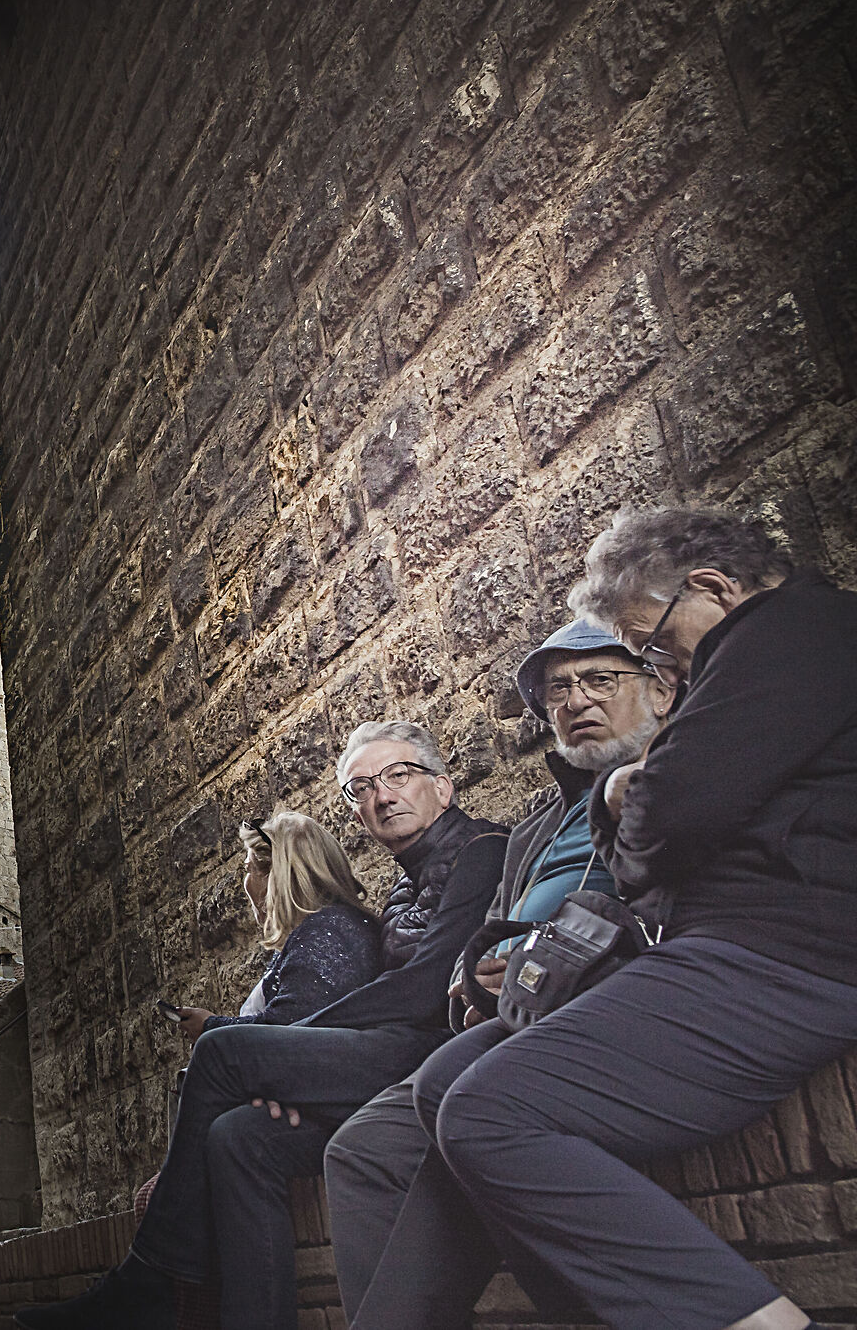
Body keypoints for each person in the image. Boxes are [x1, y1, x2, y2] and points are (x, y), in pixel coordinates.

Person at [420, 506, 857, 1330]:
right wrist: (641, 808)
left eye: (649, 645)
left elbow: (669, 818)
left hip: (785, 954)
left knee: (487, 1111)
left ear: (712, 588)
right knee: (446, 1082)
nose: (662, 668)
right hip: (729, 948)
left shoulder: (788, 631)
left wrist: (622, 792)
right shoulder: (754, 653)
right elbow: (647, 856)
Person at [21, 721, 506, 1330]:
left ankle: (146, 1282)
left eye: (398, 776)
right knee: (239, 1139)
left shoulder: (481, 850)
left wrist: (284, 1053)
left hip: (432, 1057)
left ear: (444, 787)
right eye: (361, 788)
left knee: (224, 1053)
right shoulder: (402, 888)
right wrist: (291, 1076)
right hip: (388, 1067)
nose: (382, 796)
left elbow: (423, 986)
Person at [325, 619, 674, 1327]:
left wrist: (543, 957)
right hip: (511, 1010)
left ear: (661, 690)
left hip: (605, 998)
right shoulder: (539, 819)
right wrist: (479, 976)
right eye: (557, 690)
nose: (575, 699)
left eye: (600, 679)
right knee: (361, 1148)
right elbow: (489, 930)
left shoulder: (678, 774)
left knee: (456, 1094)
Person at [169, 812, 380, 1038]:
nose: (245, 882)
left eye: (248, 869)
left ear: (276, 875)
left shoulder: (323, 934)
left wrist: (211, 1026)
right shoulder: (326, 929)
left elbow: (288, 1026)